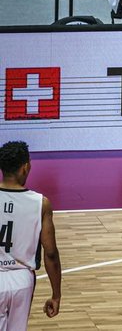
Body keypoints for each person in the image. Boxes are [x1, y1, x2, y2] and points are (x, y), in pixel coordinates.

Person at [0, 141, 62, 331]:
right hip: (22, 280)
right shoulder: (40, 203)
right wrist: (56, 295)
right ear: (26, 167)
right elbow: (50, 253)